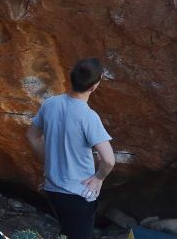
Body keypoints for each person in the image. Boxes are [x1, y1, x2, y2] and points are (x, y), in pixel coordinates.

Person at [26, 58, 115, 239]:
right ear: (94, 86)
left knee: (66, 232)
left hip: (52, 189)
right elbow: (108, 160)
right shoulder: (88, 117)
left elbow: (32, 136)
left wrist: (51, 163)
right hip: (78, 193)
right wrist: (99, 177)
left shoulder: (50, 104)